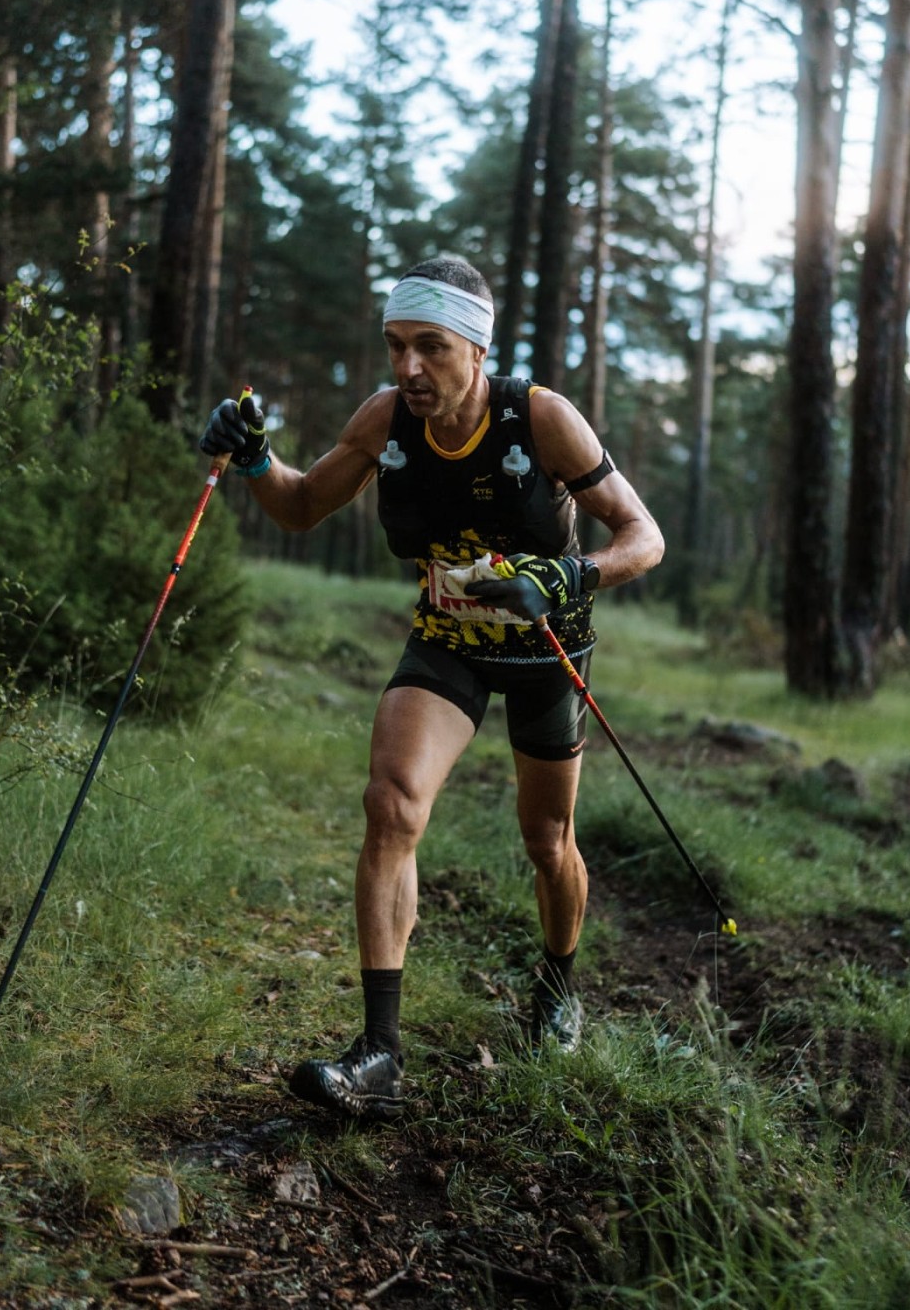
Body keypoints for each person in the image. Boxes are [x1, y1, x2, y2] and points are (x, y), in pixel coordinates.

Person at [200, 255, 665, 1118]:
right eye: (395, 346)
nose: (408, 368)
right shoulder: (385, 420)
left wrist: (569, 578)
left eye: (431, 347)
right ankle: (378, 1054)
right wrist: (257, 460)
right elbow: (301, 508)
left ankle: (558, 988)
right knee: (392, 804)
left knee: (546, 840)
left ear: (477, 352)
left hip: (543, 650)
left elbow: (644, 537)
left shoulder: (543, 420)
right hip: (448, 642)